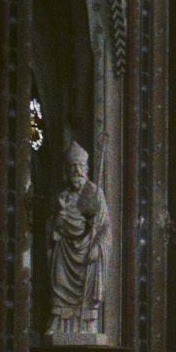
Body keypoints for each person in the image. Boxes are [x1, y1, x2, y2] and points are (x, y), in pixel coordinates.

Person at [48, 139, 111, 339]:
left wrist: (97, 246)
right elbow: (54, 223)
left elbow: (104, 226)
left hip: (86, 252)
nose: (76, 171)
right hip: (66, 250)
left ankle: (86, 324)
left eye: (80, 166)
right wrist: (60, 219)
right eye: (72, 167)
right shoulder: (63, 196)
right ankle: (60, 323)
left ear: (87, 168)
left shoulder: (94, 193)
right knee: (58, 282)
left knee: (86, 290)